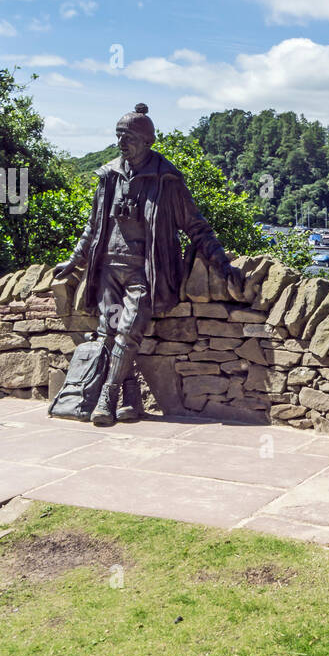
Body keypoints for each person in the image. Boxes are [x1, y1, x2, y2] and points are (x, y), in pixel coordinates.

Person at [52, 104, 242, 425]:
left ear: (146, 141)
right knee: (107, 332)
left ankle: (106, 399)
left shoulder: (167, 180)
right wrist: (74, 260)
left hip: (145, 271)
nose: (122, 144)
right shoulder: (109, 176)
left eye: (128, 138)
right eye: (118, 137)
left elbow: (196, 227)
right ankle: (132, 399)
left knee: (128, 332)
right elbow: (93, 226)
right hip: (109, 268)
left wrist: (222, 263)